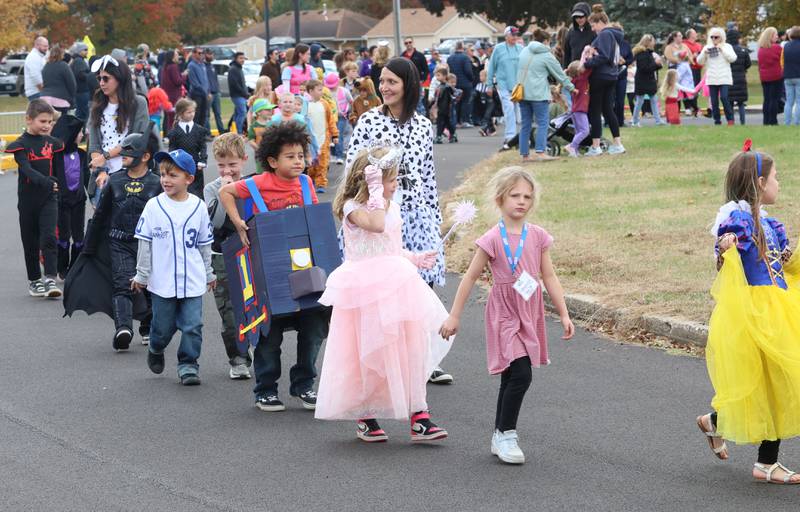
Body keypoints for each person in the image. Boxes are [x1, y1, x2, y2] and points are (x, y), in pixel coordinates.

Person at [315, 145, 451, 442]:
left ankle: (420, 415)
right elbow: (375, 227)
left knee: (410, 348)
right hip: (364, 288)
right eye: (389, 180)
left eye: (393, 181)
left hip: (397, 282)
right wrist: (375, 190)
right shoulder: (353, 208)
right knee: (369, 350)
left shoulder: (391, 204)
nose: (394, 185)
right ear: (369, 179)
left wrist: (414, 258)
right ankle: (367, 415)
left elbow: (390, 245)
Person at [440, 166, 574, 464]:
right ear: (500, 199)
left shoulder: (538, 236)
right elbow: (470, 278)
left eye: (527, 196)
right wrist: (454, 316)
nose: (521, 201)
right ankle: (508, 434)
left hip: (529, 310)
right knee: (521, 374)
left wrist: (563, 313)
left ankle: (499, 434)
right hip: (504, 313)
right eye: (515, 195)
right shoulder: (491, 238)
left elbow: (549, 276)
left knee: (513, 375)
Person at [698, 142, 800, 485]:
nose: (779, 183)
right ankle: (763, 461)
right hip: (755, 312)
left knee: (778, 383)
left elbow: (782, 263)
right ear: (759, 182)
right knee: (771, 382)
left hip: (781, 308)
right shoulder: (738, 220)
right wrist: (724, 246)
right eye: (775, 177)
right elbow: (723, 253)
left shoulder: (773, 223)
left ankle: (721, 426)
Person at [347, 57, 453, 384]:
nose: (384, 87)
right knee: (389, 290)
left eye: (392, 81)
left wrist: (433, 219)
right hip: (383, 217)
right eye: (382, 81)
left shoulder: (422, 125)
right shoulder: (369, 122)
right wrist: (358, 215)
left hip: (418, 216)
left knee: (421, 287)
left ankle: (424, 358)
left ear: (408, 84)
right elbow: (353, 170)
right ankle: (390, 360)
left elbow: (427, 174)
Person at [218, 122, 326, 412]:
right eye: (290, 156)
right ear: (272, 161)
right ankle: (265, 389)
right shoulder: (255, 184)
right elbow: (226, 193)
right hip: (267, 274)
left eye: (301, 156)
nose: (298, 162)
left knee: (314, 327)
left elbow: (314, 222)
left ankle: (304, 384)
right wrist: (238, 222)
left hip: (304, 271)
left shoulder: (306, 185)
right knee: (268, 333)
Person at [134, 149, 215, 386]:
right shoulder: (153, 206)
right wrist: (141, 274)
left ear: (189, 178)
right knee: (162, 328)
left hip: (192, 279)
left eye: (172, 174)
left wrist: (209, 273)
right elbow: (145, 243)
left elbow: (204, 245)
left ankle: (188, 364)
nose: (166, 180)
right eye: (162, 174)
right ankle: (157, 347)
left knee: (193, 326)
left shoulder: (198, 206)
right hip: (163, 281)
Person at [84, 129, 161, 350]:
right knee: (121, 285)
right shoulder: (114, 181)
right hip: (118, 241)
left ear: (145, 156)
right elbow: (100, 215)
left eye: (129, 150)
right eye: (122, 149)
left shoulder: (157, 183)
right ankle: (123, 328)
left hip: (149, 243)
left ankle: (148, 326)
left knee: (150, 286)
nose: (123, 153)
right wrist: (88, 247)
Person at [203, 133, 252, 380]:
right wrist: (225, 193)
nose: (227, 170)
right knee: (230, 311)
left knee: (253, 306)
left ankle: (259, 350)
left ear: (243, 160)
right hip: (222, 256)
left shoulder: (252, 185)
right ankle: (238, 358)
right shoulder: (211, 189)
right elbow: (217, 221)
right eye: (221, 165)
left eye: (232, 165)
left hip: (251, 254)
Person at [4, 100, 63, 298]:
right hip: (28, 201)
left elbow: (61, 163)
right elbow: (27, 169)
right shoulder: (20, 145)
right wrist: (48, 182)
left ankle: (50, 279)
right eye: (42, 121)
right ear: (29, 119)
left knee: (49, 237)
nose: (47, 125)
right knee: (30, 242)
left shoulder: (52, 143)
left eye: (50, 121)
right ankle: (35, 280)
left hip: (49, 198)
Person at [87, 56, 150, 196]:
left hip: (131, 174)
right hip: (103, 176)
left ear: (120, 79)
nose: (102, 83)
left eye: (106, 78)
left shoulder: (138, 103)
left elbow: (137, 139)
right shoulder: (96, 107)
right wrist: (101, 170)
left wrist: (106, 156)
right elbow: (94, 145)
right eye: (99, 79)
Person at [516, 29, 575, 163]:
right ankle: (541, 152)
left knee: (526, 124)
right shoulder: (546, 55)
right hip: (538, 94)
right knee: (542, 123)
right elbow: (560, 74)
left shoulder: (524, 51)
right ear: (546, 41)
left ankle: (525, 155)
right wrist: (572, 88)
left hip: (522, 93)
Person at [583, 5, 626, 156]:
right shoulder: (615, 34)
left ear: (600, 21)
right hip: (612, 76)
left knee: (595, 110)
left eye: (593, 25)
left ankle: (595, 146)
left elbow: (604, 56)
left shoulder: (605, 34)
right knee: (608, 110)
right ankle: (617, 144)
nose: (593, 29)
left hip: (600, 76)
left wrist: (587, 63)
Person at [52, 114, 88, 279]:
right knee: (64, 236)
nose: (82, 134)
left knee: (79, 236)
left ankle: (75, 266)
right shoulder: (57, 155)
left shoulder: (81, 154)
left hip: (79, 201)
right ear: (72, 134)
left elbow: (86, 177)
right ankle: (62, 267)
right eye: (80, 132)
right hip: (62, 202)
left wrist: (93, 197)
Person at [486, 26, 523, 150]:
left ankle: (518, 137)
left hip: (517, 86)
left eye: (516, 35)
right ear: (506, 36)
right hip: (503, 85)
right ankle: (510, 136)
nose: (515, 37)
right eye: (512, 35)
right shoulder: (498, 49)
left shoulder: (521, 48)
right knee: (509, 109)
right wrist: (489, 85)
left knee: (518, 112)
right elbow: (491, 67)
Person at [167, 98, 209, 198]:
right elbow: (172, 148)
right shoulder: (175, 132)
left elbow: (203, 147)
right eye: (188, 112)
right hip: (180, 165)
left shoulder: (199, 130)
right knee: (182, 188)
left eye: (193, 111)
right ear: (180, 113)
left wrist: (203, 160)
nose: (192, 114)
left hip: (195, 165)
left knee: (198, 190)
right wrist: (172, 161)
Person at [696, 27, 737, 126]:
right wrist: (703, 54)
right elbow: (699, 61)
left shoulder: (727, 46)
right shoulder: (707, 47)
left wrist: (722, 49)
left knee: (724, 97)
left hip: (724, 78)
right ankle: (717, 121)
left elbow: (733, 58)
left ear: (721, 37)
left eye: (716, 37)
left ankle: (730, 119)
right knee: (714, 101)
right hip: (712, 78)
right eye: (712, 37)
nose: (714, 39)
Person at [305, 79, 338, 193]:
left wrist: (335, 134)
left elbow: (331, 120)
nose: (321, 92)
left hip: (323, 137)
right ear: (310, 91)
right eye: (319, 90)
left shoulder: (325, 104)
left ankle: (321, 183)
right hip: (309, 140)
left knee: (323, 162)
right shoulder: (305, 105)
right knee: (311, 162)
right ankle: (311, 179)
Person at [631, 34, 665, 127]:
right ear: (648, 42)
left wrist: (659, 64)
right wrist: (656, 63)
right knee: (639, 101)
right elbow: (644, 68)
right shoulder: (642, 53)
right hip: (642, 80)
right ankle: (634, 120)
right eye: (653, 41)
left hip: (649, 80)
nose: (654, 43)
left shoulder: (649, 53)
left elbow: (651, 67)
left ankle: (658, 121)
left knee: (654, 100)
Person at [565, 57, 591, 157]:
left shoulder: (575, 80)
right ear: (579, 71)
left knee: (578, 132)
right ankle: (572, 146)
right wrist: (589, 57)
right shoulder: (581, 79)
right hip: (580, 110)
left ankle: (574, 151)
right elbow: (589, 69)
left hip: (576, 110)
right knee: (585, 131)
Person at [758, 27, 784, 126]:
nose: (777, 36)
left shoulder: (761, 49)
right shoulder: (777, 48)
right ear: (770, 36)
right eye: (775, 34)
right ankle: (773, 121)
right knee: (774, 99)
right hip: (776, 76)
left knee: (767, 99)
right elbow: (782, 60)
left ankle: (766, 120)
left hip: (764, 77)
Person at [40, 45, 76, 115]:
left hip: (45, 99)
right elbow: (72, 84)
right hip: (60, 100)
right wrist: (72, 98)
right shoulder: (64, 66)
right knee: (61, 123)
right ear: (61, 54)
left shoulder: (46, 67)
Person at [327, 72, 353, 165]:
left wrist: (350, 111)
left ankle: (339, 156)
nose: (331, 87)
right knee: (331, 135)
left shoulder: (344, 91)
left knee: (338, 135)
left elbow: (351, 101)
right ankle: (333, 154)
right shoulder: (326, 91)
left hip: (342, 116)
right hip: (330, 117)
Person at [727, 29, 752, 125]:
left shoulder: (726, 50)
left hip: (729, 79)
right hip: (741, 78)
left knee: (730, 103)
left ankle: (731, 122)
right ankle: (743, 122)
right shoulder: (743, 50)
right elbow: (748, 64)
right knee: (741, 103)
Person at [447, 41, 474, 126]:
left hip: (454, 83)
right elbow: (468, 71)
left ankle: (456, 121)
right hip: (465, 83)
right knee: (465, 102)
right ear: (462, 48)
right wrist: (471, 79)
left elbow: (449, 71)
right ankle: (464, 121)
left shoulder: (450, 58)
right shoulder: (465, 58)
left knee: (456, 103)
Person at [160, 50, 186, 133]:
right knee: (174, 116)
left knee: (167, 116)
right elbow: (178, 81)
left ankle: (167, 134)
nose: (178, 56)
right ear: (172, 57)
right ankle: (173, 134)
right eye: (177, 55)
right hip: (174, 95)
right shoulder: (173, 67)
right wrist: (184, 76)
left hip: (166, 95)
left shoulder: (165, 67)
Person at [401, 37, 429, 114]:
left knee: (419, 102)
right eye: (406, 43)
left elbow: (426, 70)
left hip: (418, 83)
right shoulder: (402, 56)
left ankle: (422, 119)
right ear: (404, 44)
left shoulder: (420, 55)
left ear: (413, 43)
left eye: (410, 42)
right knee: (407, 102)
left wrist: (422, 80)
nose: (408, 44)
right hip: (406, 83)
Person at [562, 3, 595, 67]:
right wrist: (565, 68)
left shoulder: (593, 31)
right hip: (574, 70)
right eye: (576, 17)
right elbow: (567, 53)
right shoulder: (571, 32)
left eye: (581, 17)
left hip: (590, 69)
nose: (579, 19)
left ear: (587, 16)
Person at [187, 47, 210, 128]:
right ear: (194, 54)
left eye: (202, 53)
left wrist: (208, 92)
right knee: (197, 115)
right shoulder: (191, 65)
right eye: (199, 53)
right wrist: (204, 92)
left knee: (204, 115)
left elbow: (206, 80)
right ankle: (195, 134)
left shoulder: (203, 65)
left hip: (204, 94)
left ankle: (201, 134)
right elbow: (194, 83)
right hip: (196, 94)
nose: (201, 55)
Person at [433, 70, 459, 144]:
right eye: (436, 75)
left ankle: (440, 136)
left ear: (444, 76)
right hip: (441, 108)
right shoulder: (440, 86)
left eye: (438, 75)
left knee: (443, 123)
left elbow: (453, 95)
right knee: (443, 122)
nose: (437, 77)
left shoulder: (447, 87)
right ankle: (451, 134)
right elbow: (437, 97)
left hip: (446, 108)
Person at [204, 48, 225, 134]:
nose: (211, 56)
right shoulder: (202, 66)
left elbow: (215, 79)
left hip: (216, 93)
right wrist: (207, 91)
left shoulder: (212, 66)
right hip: (208, 94)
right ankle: (208, 133)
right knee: (207, 115)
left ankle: (222, 131)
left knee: (218, 114)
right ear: (205, 55)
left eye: (212, 54)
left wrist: (218, 90)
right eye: (209, 54)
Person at [684, 29, 704, 115]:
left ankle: (694, 106)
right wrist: (693, 55)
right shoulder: (684, 44)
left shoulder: (698, 45)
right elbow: (683, 56)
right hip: (689, 68)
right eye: (695, 33)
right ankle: (688, 107)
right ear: (690, 35)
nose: (696, 34)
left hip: (697, 68)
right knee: (688, 87)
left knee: (696, 88)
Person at [228, 52, 249, 134]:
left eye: (243, 58)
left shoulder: (239, 68)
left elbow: (241, 83)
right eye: (240, 58)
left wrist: (247, 91)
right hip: (237, 95)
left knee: (237, 114)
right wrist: (244, 94)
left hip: (241, 95)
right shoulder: (233, 69)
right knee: (242, 113)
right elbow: (235, 84)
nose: (242, 60)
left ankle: (234, 132)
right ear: (235, 59)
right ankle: (239, 132)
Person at [70, 42, 91, 120]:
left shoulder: (77, 60)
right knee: (83, 114)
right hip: (82, 92)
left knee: (80, 113)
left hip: (79, 92)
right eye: (85, 50)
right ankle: (82, 130)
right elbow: (80, 74)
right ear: (79, 51)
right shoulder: (78, 60)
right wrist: (90, 77)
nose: (87, 52)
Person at [784, 27, 800, 126]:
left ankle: (787, 123)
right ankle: (797, 122)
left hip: (788, 75)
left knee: (789, 101)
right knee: (799, 101)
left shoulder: (786, 46)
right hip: (798, 75)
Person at [475, 69, 497, 137]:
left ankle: (483, 128)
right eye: (480, 76)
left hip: (490, 102)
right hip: (482, 103)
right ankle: (492, 129)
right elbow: (476, 93)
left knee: (487, 115)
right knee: (486, 116)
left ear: (486, 77)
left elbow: (494, 94)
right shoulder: (479, 85)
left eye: (482, 76)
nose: (480, 77)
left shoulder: (489, 85)